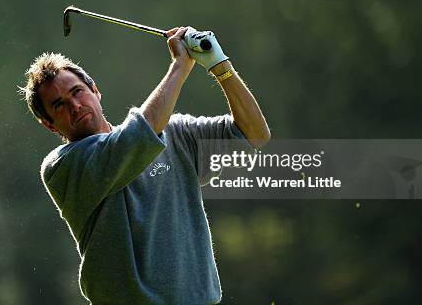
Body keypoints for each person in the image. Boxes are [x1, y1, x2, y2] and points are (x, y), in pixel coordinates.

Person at [21, 26, 270, 304]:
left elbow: (255, 134)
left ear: (96, 90)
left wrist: (219, 65)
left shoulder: (175, 133)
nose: (75, 106)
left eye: (78, 92)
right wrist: (179, 66)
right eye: (59, 105)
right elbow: (138, 137)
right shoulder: (63, 167)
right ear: (49, 125)